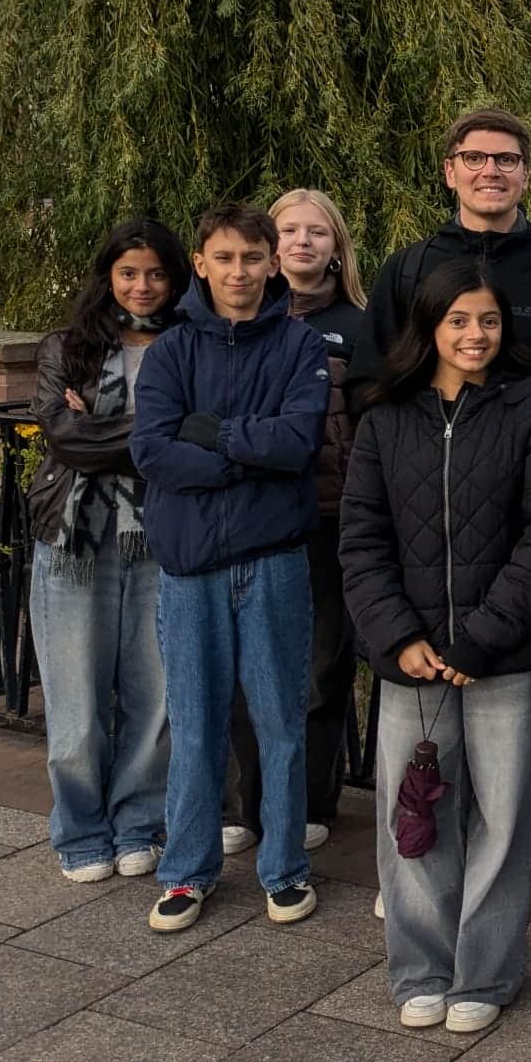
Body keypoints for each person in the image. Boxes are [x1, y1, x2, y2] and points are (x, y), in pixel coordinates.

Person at [363, 106, 531, 911]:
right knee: (422, 701)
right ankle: (424, 844)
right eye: (475, 158)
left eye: (506, 159)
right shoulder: (407, 269)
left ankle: (528, 839)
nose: (490, 171)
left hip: (526, 510)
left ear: (526, 173)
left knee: (523, 713)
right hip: (427, 514)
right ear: (450, 170)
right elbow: (382, 389)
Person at [340, 260, 531, 1035]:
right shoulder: (385, 417)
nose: (475, 336)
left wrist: (479, 636)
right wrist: (398, 637)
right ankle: (419, 967)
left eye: (489, 322)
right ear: (429, 328)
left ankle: (485, 971)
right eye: (459, 321)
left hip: (503, 656)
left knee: (504, 822)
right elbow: (362, 538)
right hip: (411, 664)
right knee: (416, 820)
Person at [130, 203, 329, 933]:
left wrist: (213, 438)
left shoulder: (301, 344)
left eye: (252, 257)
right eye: (225, 258)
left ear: (272, 262)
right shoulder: (171, 353)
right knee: (196, 723)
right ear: (202, 264)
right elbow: (152, 451)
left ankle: (283, 869)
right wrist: (244, 455)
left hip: (272, 562)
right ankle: (187, 873)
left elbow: (298, 442)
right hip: (190, 569)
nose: (239, 272)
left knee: (279, 723)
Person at [26, 218, 192, 883]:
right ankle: (80, 831)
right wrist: (156, 430)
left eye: (155, 273)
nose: (143, 285)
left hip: (163, 536)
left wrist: (107, 424)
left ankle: (137, 823)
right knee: (75, 698)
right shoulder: (66, 347)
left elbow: (201, 432)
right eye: (129, 273)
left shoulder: (189, 345)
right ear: (108, 276)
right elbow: (67, 440)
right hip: (74, 541)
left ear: (175, 277)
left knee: (156, 698)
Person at [224, 189, 371, 858]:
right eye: (290, 230)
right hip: (254, 510)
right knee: (246, 665)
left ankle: (312, 800)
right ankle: (242, 805)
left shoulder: (363, 325)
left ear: (337, 247)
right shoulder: (240, 321)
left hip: (331, 516)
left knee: (322, 666)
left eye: (318, 231)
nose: (304, 242)